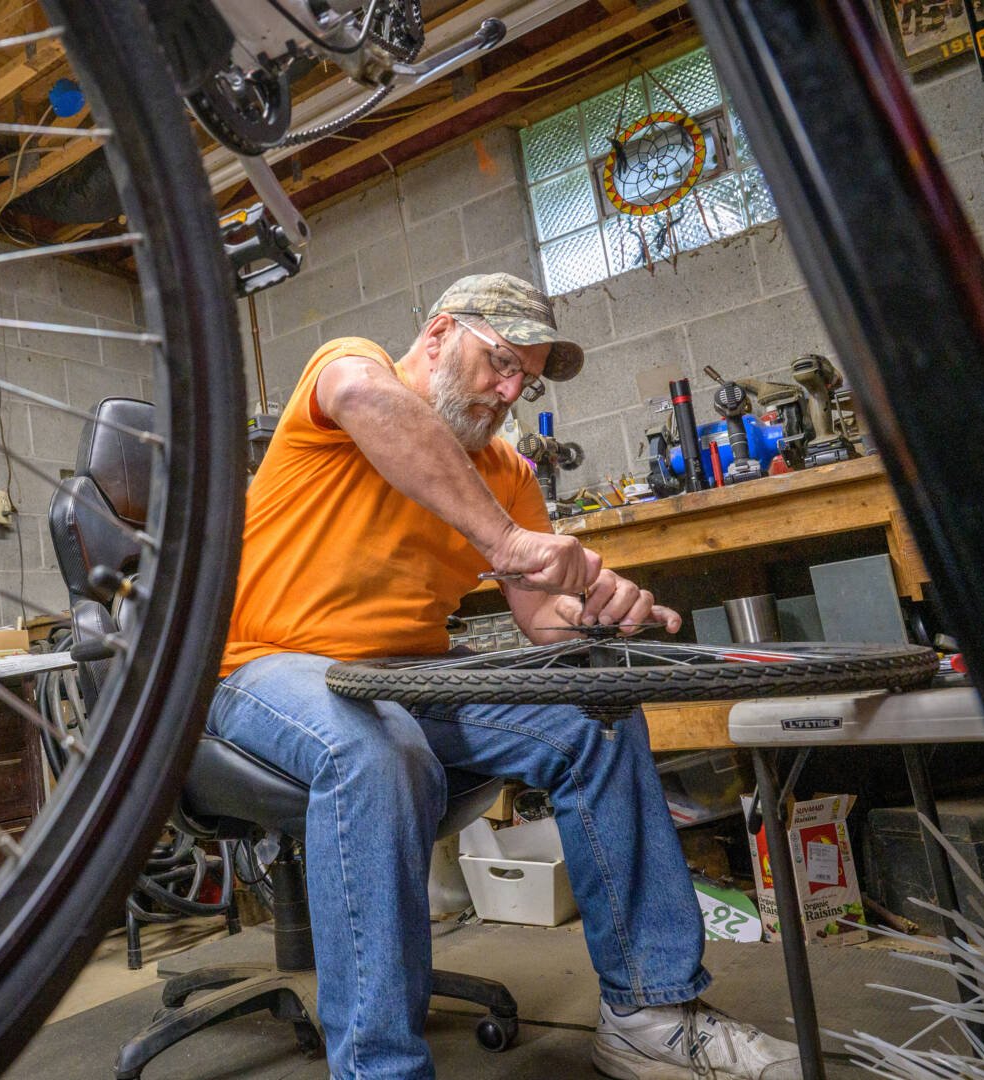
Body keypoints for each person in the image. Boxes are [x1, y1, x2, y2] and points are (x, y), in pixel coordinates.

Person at [210, 272, 800, 1080]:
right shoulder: (350, 371)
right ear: (439, 333)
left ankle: (649, 1012)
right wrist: (505, 542)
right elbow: (363, 395)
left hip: (408, 680)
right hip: (261, 671)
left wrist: (599, 611)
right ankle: (378, 1069)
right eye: (498, 361)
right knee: (377, 752)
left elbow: (541, 619)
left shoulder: (509, 475)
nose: (509, 388)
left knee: (591, 712)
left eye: (524, 375)